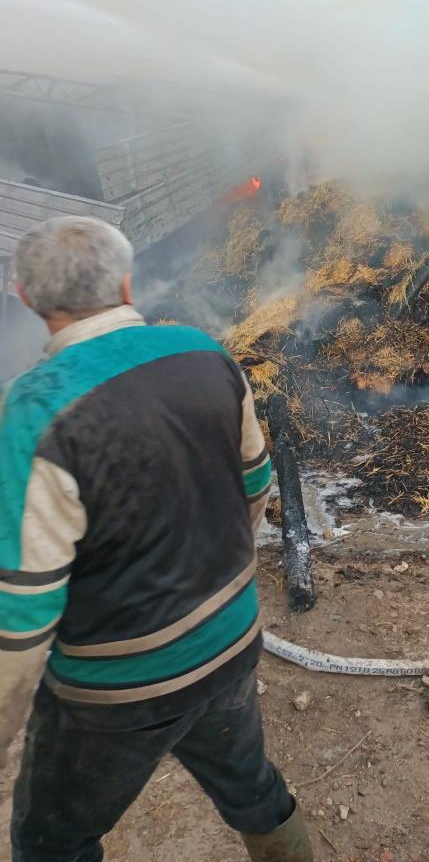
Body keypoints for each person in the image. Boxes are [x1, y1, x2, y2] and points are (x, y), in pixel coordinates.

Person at [0, 216, 313, 862]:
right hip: (230, 641)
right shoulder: (204, 353)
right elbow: (255, 485)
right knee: (251, 787)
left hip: (115, 690)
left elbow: (23, 608)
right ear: (127, 281)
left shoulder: (33, 410)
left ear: (24, 298)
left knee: (50, 840)